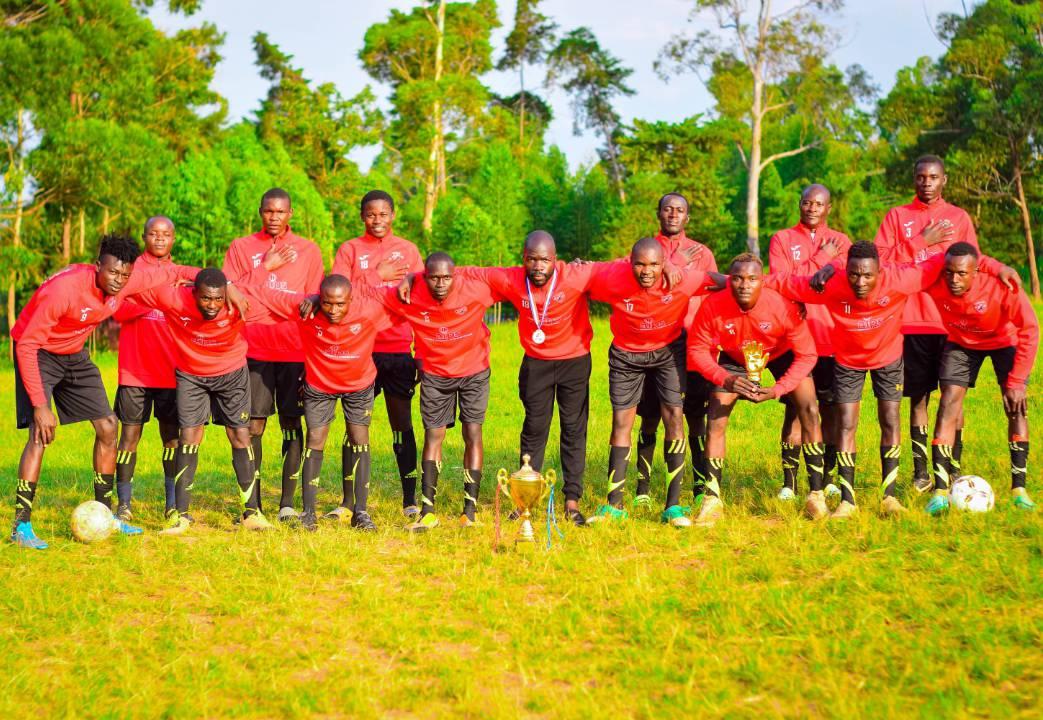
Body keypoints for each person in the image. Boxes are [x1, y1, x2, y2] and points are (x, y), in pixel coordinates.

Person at [768, 241, 1018, 518]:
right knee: (847, 424)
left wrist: (999, 267)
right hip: (848, 361)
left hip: (888, 359)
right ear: (846, 271)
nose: (860, 282)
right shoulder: (830, 284)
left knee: (890, 420)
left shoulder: (901, 279)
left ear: (880, 271)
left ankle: (889, 497)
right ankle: (848, 501)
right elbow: (782, 282)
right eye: (854, 274)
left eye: (868, 275)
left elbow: (949, 259)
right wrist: (733, 281)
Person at [9, 235, 209, 549]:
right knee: (40, 432)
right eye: (113, 273)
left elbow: (173, 272)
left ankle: (106, 513)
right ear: (98, 265)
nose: (119, 281)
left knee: (108, 427)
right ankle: (21, 525)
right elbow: (27, 344)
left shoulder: (129, 280)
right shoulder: (65, 290)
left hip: (73, 354)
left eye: (125, 276)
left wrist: (222, 282)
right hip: (37, 352)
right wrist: (40, 404)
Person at [873, 155, 1017, 492]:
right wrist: (921, 240)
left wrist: (1000, 270)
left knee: (954, 397)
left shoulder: (958, 218)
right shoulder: (897, 216)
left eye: (933, 177)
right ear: (914, 180)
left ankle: (952, 468)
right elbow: (878, 262)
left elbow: (975, 262)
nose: (927, 183)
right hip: (911, 323)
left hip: (953, 323)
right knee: (919, 398)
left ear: (944, 180)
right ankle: (922, 472)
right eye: (921, 177)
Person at [460, 231, 598, 526]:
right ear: (523, 259)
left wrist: (670, 267)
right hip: (536, 364)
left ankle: (572, 500)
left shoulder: (574, 274)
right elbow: (471, 272)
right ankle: (526, 498)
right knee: (534, 428)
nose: (538, 266)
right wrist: (417, 276)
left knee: (574, 429)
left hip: (574, 361)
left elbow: (616, 268)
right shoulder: (512, 279)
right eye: (532, 259)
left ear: (555, 259)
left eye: (545, 260)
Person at [586, 237, 723, 527]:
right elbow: (579, 275)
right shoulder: (612, 276)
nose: (646, 271)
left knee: (674, 416)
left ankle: (672, 507)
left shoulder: (682, 278)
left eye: (653, 264)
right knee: (621, 422)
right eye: (639, 264)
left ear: (664, 264)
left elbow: (725, 281)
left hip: (668, 352)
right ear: (629, 263)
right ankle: (614, 506)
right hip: (626, 355)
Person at [131, 269, 273, 535]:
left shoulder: (238, 303)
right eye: (206, 299)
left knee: (240, 436)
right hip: (191, 375)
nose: (212, 305)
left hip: (231, 374)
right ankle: (181, 517)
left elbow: (278, 300)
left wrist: (311, 300)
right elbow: (134, 283)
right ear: (193, 292)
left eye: (217, 299)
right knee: (189, 436)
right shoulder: (173, 298)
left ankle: (251, 513)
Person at [688, 254, 823, 526]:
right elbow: (696, 350)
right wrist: (724, 378)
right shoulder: (713, 305)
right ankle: (712, 499)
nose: (744, 285)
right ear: (729, 281)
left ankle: (816, 494)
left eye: (752, 279)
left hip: (780, 352)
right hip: (736, 358)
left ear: (763, 281)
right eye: (737, 278)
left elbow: (807, 355)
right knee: (715, 415)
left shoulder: (782, 306)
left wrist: (778, 389)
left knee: (808, 406)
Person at [255, 274, 397, 531]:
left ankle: (361, 513)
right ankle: (309, 513)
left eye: (340, 304)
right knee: (315, 439)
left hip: (358, 384)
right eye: (328, 303)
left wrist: (410, 279)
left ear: (351, 300)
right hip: (320, 385)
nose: (333, 310)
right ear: (320, 299)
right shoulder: (306, 310)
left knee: (359, 438)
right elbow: (264, 295)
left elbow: (403, 297)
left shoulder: (368, 310)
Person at [223, 187, 324, 522]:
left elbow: (310, 304)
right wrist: (266, 268)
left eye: (281, 212)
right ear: (260, 211)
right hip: (252, 350)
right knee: (253, 425)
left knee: (293, 424)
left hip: (295, 349)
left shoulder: (308, 251)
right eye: (269, 211)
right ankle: (254, 505)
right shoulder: (241, 248)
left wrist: (266, 299)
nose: (275, 217)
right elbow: (236, 297)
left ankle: (287, 503)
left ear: (290, 213)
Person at [923, 243, 1038, 514]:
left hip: (1003, 340)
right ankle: (940, 492)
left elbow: (1030, 330)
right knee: (948, 405)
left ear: (976, 271)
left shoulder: (1001, 287)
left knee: (1015, 406)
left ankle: (1019, 489)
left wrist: (1018, 381)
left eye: (962, 273)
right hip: (962, 344)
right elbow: (903, 271)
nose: (954, 279)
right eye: (949, 272)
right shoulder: (936, 280)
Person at [330, 190, 424, 519]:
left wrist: (421, 351)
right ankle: (347, 502)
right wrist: (376, 276)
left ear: (393, 215)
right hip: (359, 351)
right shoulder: (350, 250)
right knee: (355, 427)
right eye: (371, 214)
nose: (377, 220)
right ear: (362, 216)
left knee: (402, 424)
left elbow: (421, 298)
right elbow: (337, 293)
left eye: (383, 214)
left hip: (397, 350)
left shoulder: (409, 251)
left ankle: (410, 499)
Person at [392, 252, 500, 532]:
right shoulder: (412, 293)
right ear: (425, 277)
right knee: (433, 435)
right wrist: (410, 277)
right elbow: (368, 296)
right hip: (436, 375)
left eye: (446, 277)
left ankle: (470, 510)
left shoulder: (475, 288)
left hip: (474, 371)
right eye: (433, 277)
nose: (440, 283)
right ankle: (427, 510)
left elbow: (509, 277)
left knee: (472, 433)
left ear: (456, 275)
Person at [633, 193, 719, 508]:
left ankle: (699, 486)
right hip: (656, 343)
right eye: (668, 209)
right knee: (651, 416)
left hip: (695, 344)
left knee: (695, 417)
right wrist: (667, 262)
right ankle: (642, 488)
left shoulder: (702, 253)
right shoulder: (646, 250)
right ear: (658, 213)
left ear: (687, 217)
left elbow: (714, 292)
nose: (673, 214)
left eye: (679, 210)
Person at [768, 184, 850, 500]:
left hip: (832, 336)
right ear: (799, 206)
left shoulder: (842, 241)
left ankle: (826, 476)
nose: (812, 208)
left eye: (819, 203)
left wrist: (830, 262)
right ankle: (789, 483)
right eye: (807, 202)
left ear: (829, 207)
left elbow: (848, 278)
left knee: (829, 409)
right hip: (794, 339)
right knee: (797, 409)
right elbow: (783, 283)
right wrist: (822, 258)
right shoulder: (782, 239)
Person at [111, 216, 181, 523]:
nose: (160, 238)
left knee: (172, 438)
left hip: (170, 369)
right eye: (154, 233)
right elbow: (117, 309)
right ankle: (124, 503)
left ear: (173, 239)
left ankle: (172, 501)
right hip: (135, 371)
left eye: (166, 234)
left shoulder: (179, 275)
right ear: (144, 237)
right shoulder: (130, 271)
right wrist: (151, 300)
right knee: (129, 435)